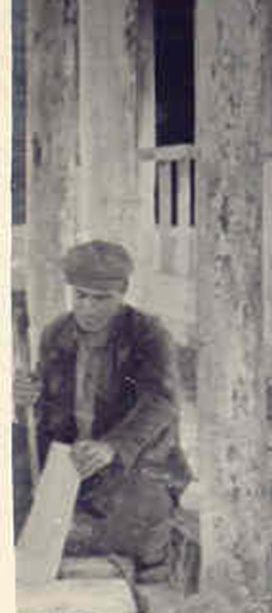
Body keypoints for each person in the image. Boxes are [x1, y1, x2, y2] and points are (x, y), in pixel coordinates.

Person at [26, 240, 192, 579]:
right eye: (80, 296)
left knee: (134, 549)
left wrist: (112, 446)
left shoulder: (148, 334)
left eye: (101, 298)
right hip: (74, 461)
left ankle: (158, 541)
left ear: (123, 292)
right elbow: (46, 409)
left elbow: (160, 402)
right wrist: (26, 396)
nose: (87, 308)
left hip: (139, 461)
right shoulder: (56, 333)